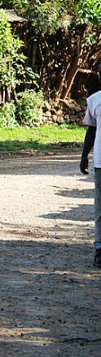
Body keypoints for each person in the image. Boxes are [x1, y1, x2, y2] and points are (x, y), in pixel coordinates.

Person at [80, 64, 101, 268]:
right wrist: (84, 155)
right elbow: (91, 130)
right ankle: (99, 249)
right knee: (100, 208)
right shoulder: (95, 100)